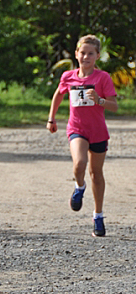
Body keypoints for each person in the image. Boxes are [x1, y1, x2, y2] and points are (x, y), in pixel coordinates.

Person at [47, 34, 118, 236]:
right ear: (76, 54)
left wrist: (99, 100)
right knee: (79, 164)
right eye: (82, 53)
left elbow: (114, 106)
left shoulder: (103, 78)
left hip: (98, 131)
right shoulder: (68, 76)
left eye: (90, 53)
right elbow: (59, 94)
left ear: (97, 56)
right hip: (77, 128)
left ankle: (98, 215)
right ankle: (79, 187)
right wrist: (52, 118)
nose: (86, 57)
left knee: (96, 174)